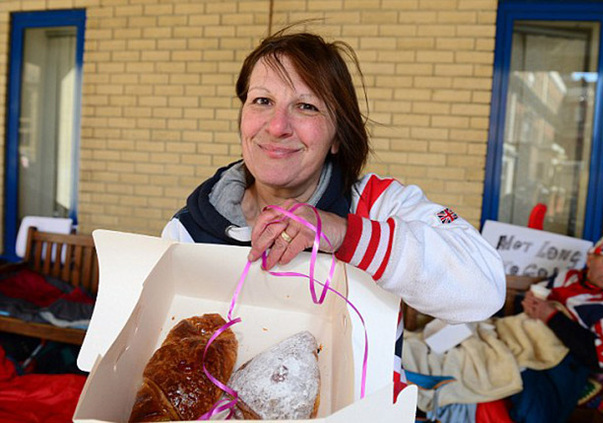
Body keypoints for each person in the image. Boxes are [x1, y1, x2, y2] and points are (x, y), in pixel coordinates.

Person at [161, 28, 506, 399]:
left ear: (338, 135)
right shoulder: (189, 230)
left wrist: (345, 234)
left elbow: (484, 290)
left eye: (306, 106)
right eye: (262, 101)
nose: (277, 126)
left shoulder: (378, 205)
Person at [509, 233, 603, 422]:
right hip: (525, 338)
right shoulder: (568, 277)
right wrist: (529, 302)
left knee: (528, 400)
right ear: (590, 258)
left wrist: (552, 317)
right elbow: (536, 296)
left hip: (567, 365)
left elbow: (597, 358)